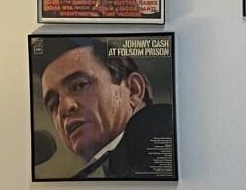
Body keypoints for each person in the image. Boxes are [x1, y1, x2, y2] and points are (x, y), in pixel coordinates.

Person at [38, 37, 174, 179]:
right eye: (54, 103)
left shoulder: (165, 138)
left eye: (79, 85)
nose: (64, 108)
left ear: (133, 90)